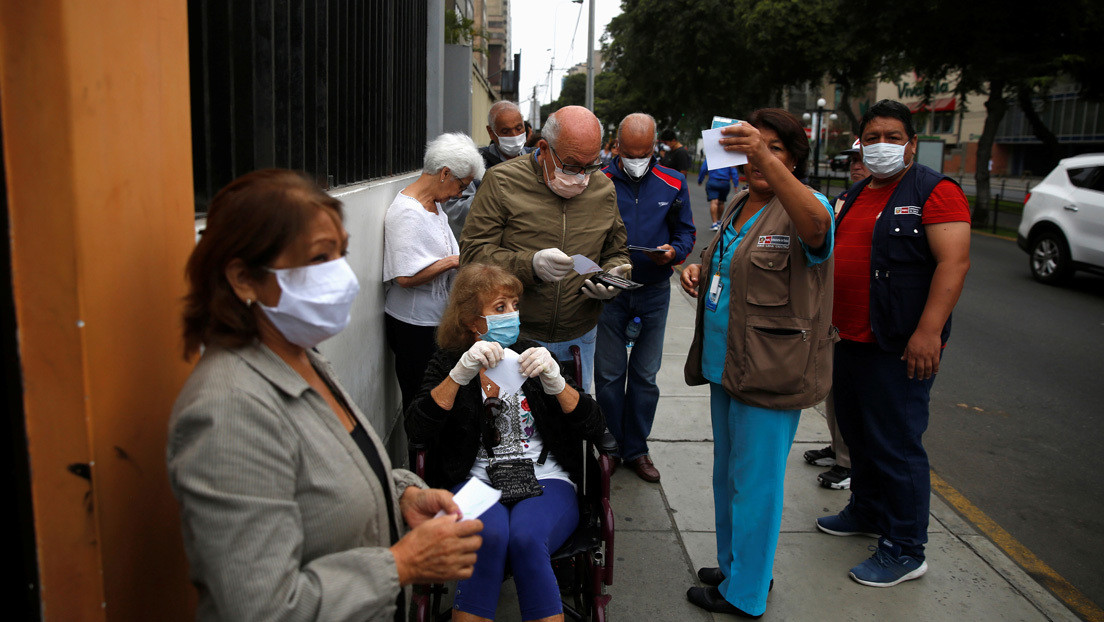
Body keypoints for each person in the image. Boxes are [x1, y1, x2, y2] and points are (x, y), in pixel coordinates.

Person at [168, 169, 484, 621]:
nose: (341, 276)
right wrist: (400, 565)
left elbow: (326, 473)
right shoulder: (229, 410)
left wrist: (400, 497)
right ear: (243, 279)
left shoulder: (301, 358)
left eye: (340, 254)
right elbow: (263, 608)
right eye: (318, 258)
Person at [679, 109, 835, 618]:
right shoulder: (740, 203)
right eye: (751, 148)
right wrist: (700, 270)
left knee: (756, 485)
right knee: (729, 476)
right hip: (728, 365)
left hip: (772, 371)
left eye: (774, 148)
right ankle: (737, 568)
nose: (758, 159)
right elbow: (734, 264)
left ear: (794, 158)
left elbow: (816, 232)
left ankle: (745, 594)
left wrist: (761, 154)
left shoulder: (808, 207)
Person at [816, 99, 970, 588]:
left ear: (911, 143)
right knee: (858, 434)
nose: (881, 145)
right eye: (872, 137)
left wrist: (928, 332)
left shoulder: (935, 192)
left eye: (893, 137)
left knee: (896, 445)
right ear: (860, 143)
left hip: (898, 345)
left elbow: (954, 263)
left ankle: (905, 548)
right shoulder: (857, 193)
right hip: (849, 339)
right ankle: (866, 509)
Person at [405, 263, 607, 622]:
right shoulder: (450, 362)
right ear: (472, 320)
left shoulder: (533, 354)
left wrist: (557, 383)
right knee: (488, 536)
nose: (512, 314)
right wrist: (458, 376)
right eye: (500, 307)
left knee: (528, 538)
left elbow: (594, 425)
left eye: (514, 305)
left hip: (545, 476)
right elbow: (417, 429)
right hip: (475, 480)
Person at [459, 105, 630, 393]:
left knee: (573, 415)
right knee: (515, 418)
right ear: (544, 148)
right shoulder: (502, 181)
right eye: (572, 166)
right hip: (515, 336)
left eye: (591, 165)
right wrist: (530, 265)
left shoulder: (603, 189)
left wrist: (614, 277)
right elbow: (472, 254)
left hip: (579, 336)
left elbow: (617, 250)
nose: (582, 177)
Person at [595, 112, 696, 483]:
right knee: (608, 375)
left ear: (654, 147)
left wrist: (674, 252)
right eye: (629, 153)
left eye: (644, 153)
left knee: (645, 376)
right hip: (611, 290)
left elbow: (686, 232)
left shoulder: (673, 182)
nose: (637, 161)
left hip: (654, 291)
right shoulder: (599, 180)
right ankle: (610, 447)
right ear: (616, 146)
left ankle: (636, 449)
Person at [384, 133, 485, 414]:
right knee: (421, 397)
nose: (459, 194)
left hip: (434, 319)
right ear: (445, 173)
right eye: (461, 186)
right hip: (414, 324)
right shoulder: (407, 211)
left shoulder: (435, 205)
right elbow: (404, 278)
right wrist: (452, 262)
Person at [803, 137, 871, 491]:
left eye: (863, 159)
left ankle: (850, 461)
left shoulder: (892, 201)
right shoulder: (844, 199)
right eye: (853, 159)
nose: (857, 165)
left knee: (856, 393)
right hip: (833, 311)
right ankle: (837, 447)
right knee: (834, 385)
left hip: (867, 318)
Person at [442, 102, 533, 239]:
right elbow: (456, 209)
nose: (514, 135)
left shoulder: (536, 160)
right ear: (491, 132)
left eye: (519, 128)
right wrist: (497, 201)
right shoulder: (474, 163)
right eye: (505, 132)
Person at [698, 157, 740, 231]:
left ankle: (714, 223)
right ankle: (719, 221)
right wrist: (735, 184)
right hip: (725, 183)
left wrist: (700, 180)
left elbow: (703, 169)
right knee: (721, 202)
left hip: (713, 181)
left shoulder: (711, 157)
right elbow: (733, 171)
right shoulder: (728, 158)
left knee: (714, 202)